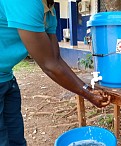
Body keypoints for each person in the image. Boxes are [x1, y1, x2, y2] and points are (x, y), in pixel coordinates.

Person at [0, 0, 111, 146]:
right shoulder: (25, 2)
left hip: (6, 78)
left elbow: (55, 58)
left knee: (16, 139)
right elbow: (49, 65)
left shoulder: (49, 10)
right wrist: (87, 94)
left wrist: (88, 89)